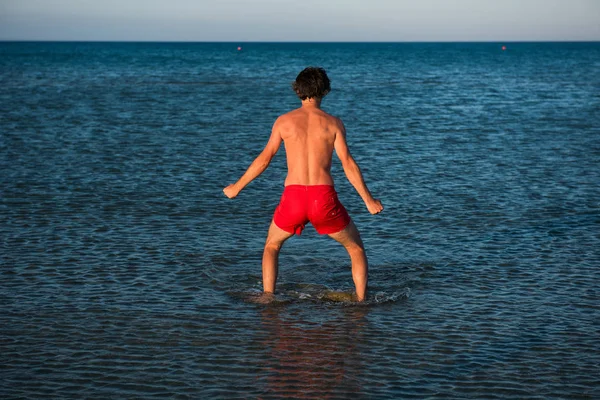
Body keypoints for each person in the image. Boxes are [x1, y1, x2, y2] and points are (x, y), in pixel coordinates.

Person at [223, 67, 383, 302]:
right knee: (355, 249)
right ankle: (361, 302)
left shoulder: (284, 122)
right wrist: (368, 200)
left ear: (297, 90)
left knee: (272, 246)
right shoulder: (333, 124)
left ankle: (268, 297)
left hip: (294, 197)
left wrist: (237, 187)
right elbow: (348, 163)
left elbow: (265, 158)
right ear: (325, 90)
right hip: (323, 198)